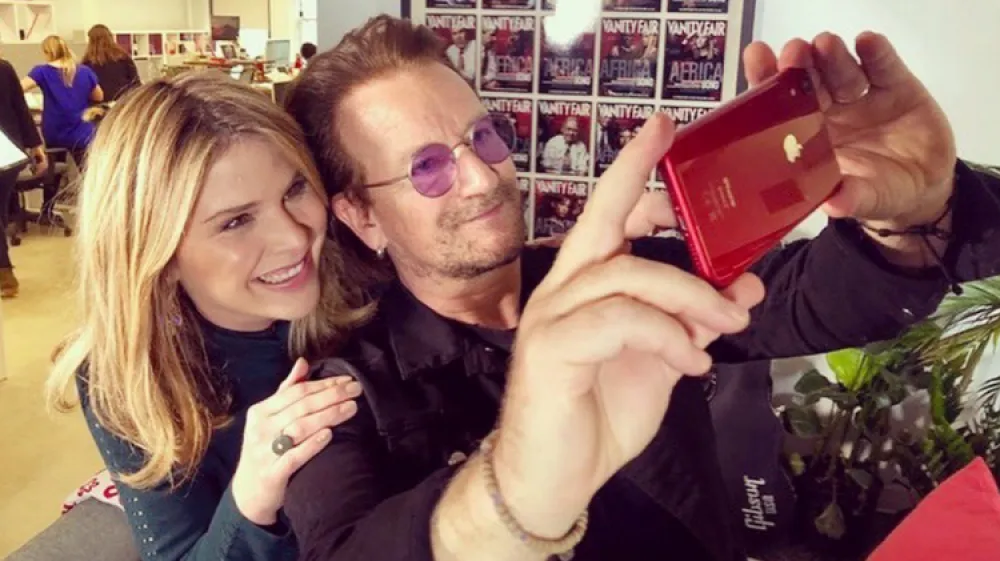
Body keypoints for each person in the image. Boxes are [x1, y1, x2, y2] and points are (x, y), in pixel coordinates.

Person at [281, 16, 1000, 561]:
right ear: (361, 214)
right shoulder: (340, 394)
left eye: (485, 137)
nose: (481, 177)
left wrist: (919, 213)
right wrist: (518, 482)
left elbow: (801, 299)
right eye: (428, 167)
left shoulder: (622, 274)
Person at [45, 73, 371, 561]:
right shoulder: (127, 376)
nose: (295, 238)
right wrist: (253, 495)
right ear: (158, 256)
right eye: (236, 221)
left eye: (295, 188)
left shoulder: (363, 278)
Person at [0, 52, 47, 298]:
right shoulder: (4, 68)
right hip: (9, 152)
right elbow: (21, 109)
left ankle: (5, 274)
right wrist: (36, 147)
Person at [21, 35, 103, 169]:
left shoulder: (41, 71)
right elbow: (98, 96)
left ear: (47, 52)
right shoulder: (84, 71)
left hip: (55, 133)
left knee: (55, 172)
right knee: (87, 171)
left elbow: (17, 88)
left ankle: (55, 183)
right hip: (82, 131)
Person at [82, 24, 141, 101]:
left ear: (91, 41)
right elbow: (136, 83)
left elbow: (85, 90)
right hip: (123, 102)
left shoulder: (87, 63)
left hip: (99, 105)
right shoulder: (123, 57)